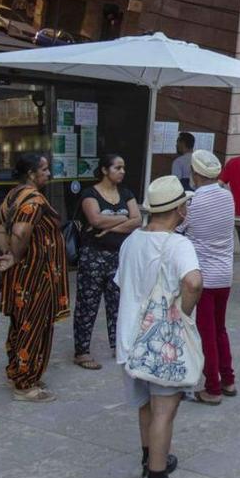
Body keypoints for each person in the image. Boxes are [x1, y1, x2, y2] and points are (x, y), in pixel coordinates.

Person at [114, 176, 203, 478]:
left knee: (145, 408)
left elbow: (123, 284)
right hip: (161, 344)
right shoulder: (179, 245)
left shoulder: (131, 241)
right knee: (165, 410)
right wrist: (185, 312)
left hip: (129, 340)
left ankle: (152, 458)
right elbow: (193, 282)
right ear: (179, 209)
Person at [0, 153, 69, 403]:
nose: (48, 174)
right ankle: (25, 385)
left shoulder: (12, 195)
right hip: (36, 276)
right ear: (31, 174)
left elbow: (0, 228)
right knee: (33, 327)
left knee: (19, 324)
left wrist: (7, 254)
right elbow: (22, 229)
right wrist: (14, 255)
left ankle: (16, 372)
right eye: (44, 169)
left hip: (21, 276)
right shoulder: (34, 200)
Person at [176, 150, 236, 405]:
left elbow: (178, 229)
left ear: (196, 174)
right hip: (225, 275)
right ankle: (228, 379)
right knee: (220, 328)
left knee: (206, 332)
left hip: (205, 278)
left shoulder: (193, 201)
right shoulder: (228, 197)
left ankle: (212, 387)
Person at [72, 154, 141, 370]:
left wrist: (110, 227)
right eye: (117, 168)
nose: (122, 171)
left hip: (119, 256)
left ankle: (118, 345)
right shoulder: (90, 194)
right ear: (104, 170)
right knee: (87, 303)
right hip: (93, 255)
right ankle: (81, 352)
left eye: (123, 168)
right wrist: (123, 219)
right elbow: (95, 219)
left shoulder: (126, 193)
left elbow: (137, 220)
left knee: (118, 302)